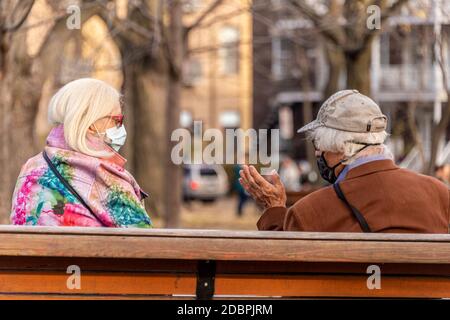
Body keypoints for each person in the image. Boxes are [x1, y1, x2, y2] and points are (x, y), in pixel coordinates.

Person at [240, 90, 449, 233]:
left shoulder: (311, 212)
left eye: (319, 145)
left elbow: (281, 265)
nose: (318, 153)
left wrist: (274, 208)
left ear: (340, 148)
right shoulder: (440, 195)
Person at [10, 78, 152, 228]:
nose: (120, 127)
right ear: (91, 125)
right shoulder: (106, 178)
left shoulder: (30, 168)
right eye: (117, 120)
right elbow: (145, 243)